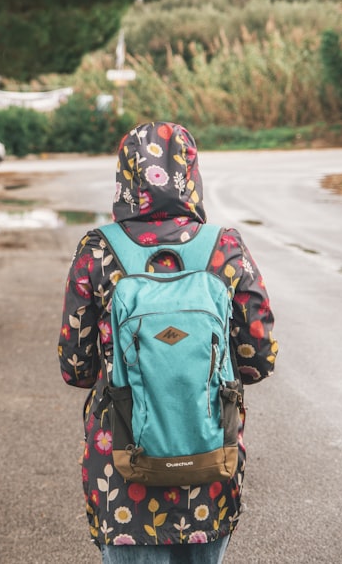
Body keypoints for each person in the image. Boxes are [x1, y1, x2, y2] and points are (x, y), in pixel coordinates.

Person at [57, 122, 278, 564]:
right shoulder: (226, 249)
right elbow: (258, 360)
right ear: (190, 173)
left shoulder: (98, 250)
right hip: (210, 466)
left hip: (123, 472)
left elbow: (76, 368)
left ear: (126, 174)